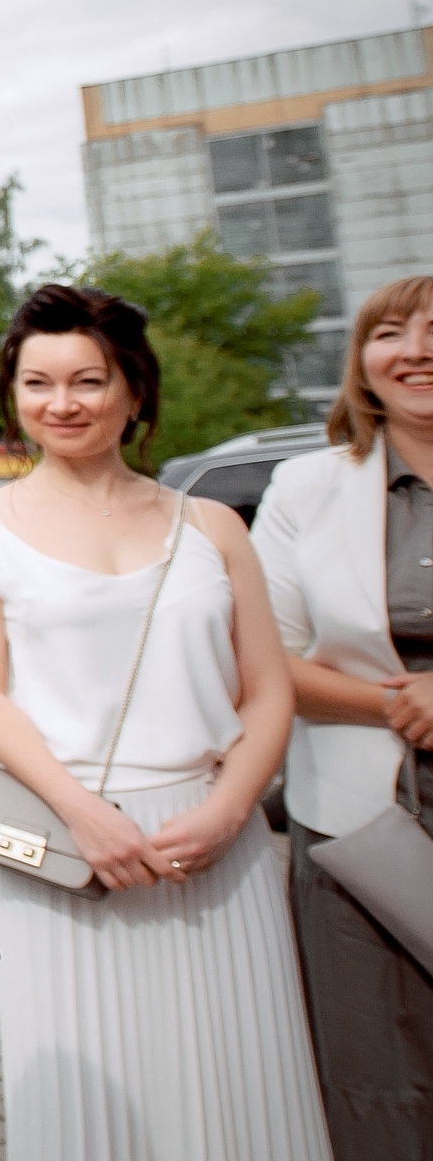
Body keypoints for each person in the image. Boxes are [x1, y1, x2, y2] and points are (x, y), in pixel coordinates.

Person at [0, 283, 329, 1161]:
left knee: (238, 1076)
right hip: (66, 842)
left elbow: (268, 690)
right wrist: (84, 814)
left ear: (135, 390)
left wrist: (230, 811)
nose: (62, 403)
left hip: (213, 838)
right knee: (90, 1093)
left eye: (88, 380)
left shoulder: (213, 526)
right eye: (38, 383)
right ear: (13, 396)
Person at [252, 273, 433, 1159]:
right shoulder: (306, 486)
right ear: (362, 361)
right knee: (375, 1075)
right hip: (359, 825)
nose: (417, 351)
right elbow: (263, 658)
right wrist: (401, 703)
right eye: (390, 333)